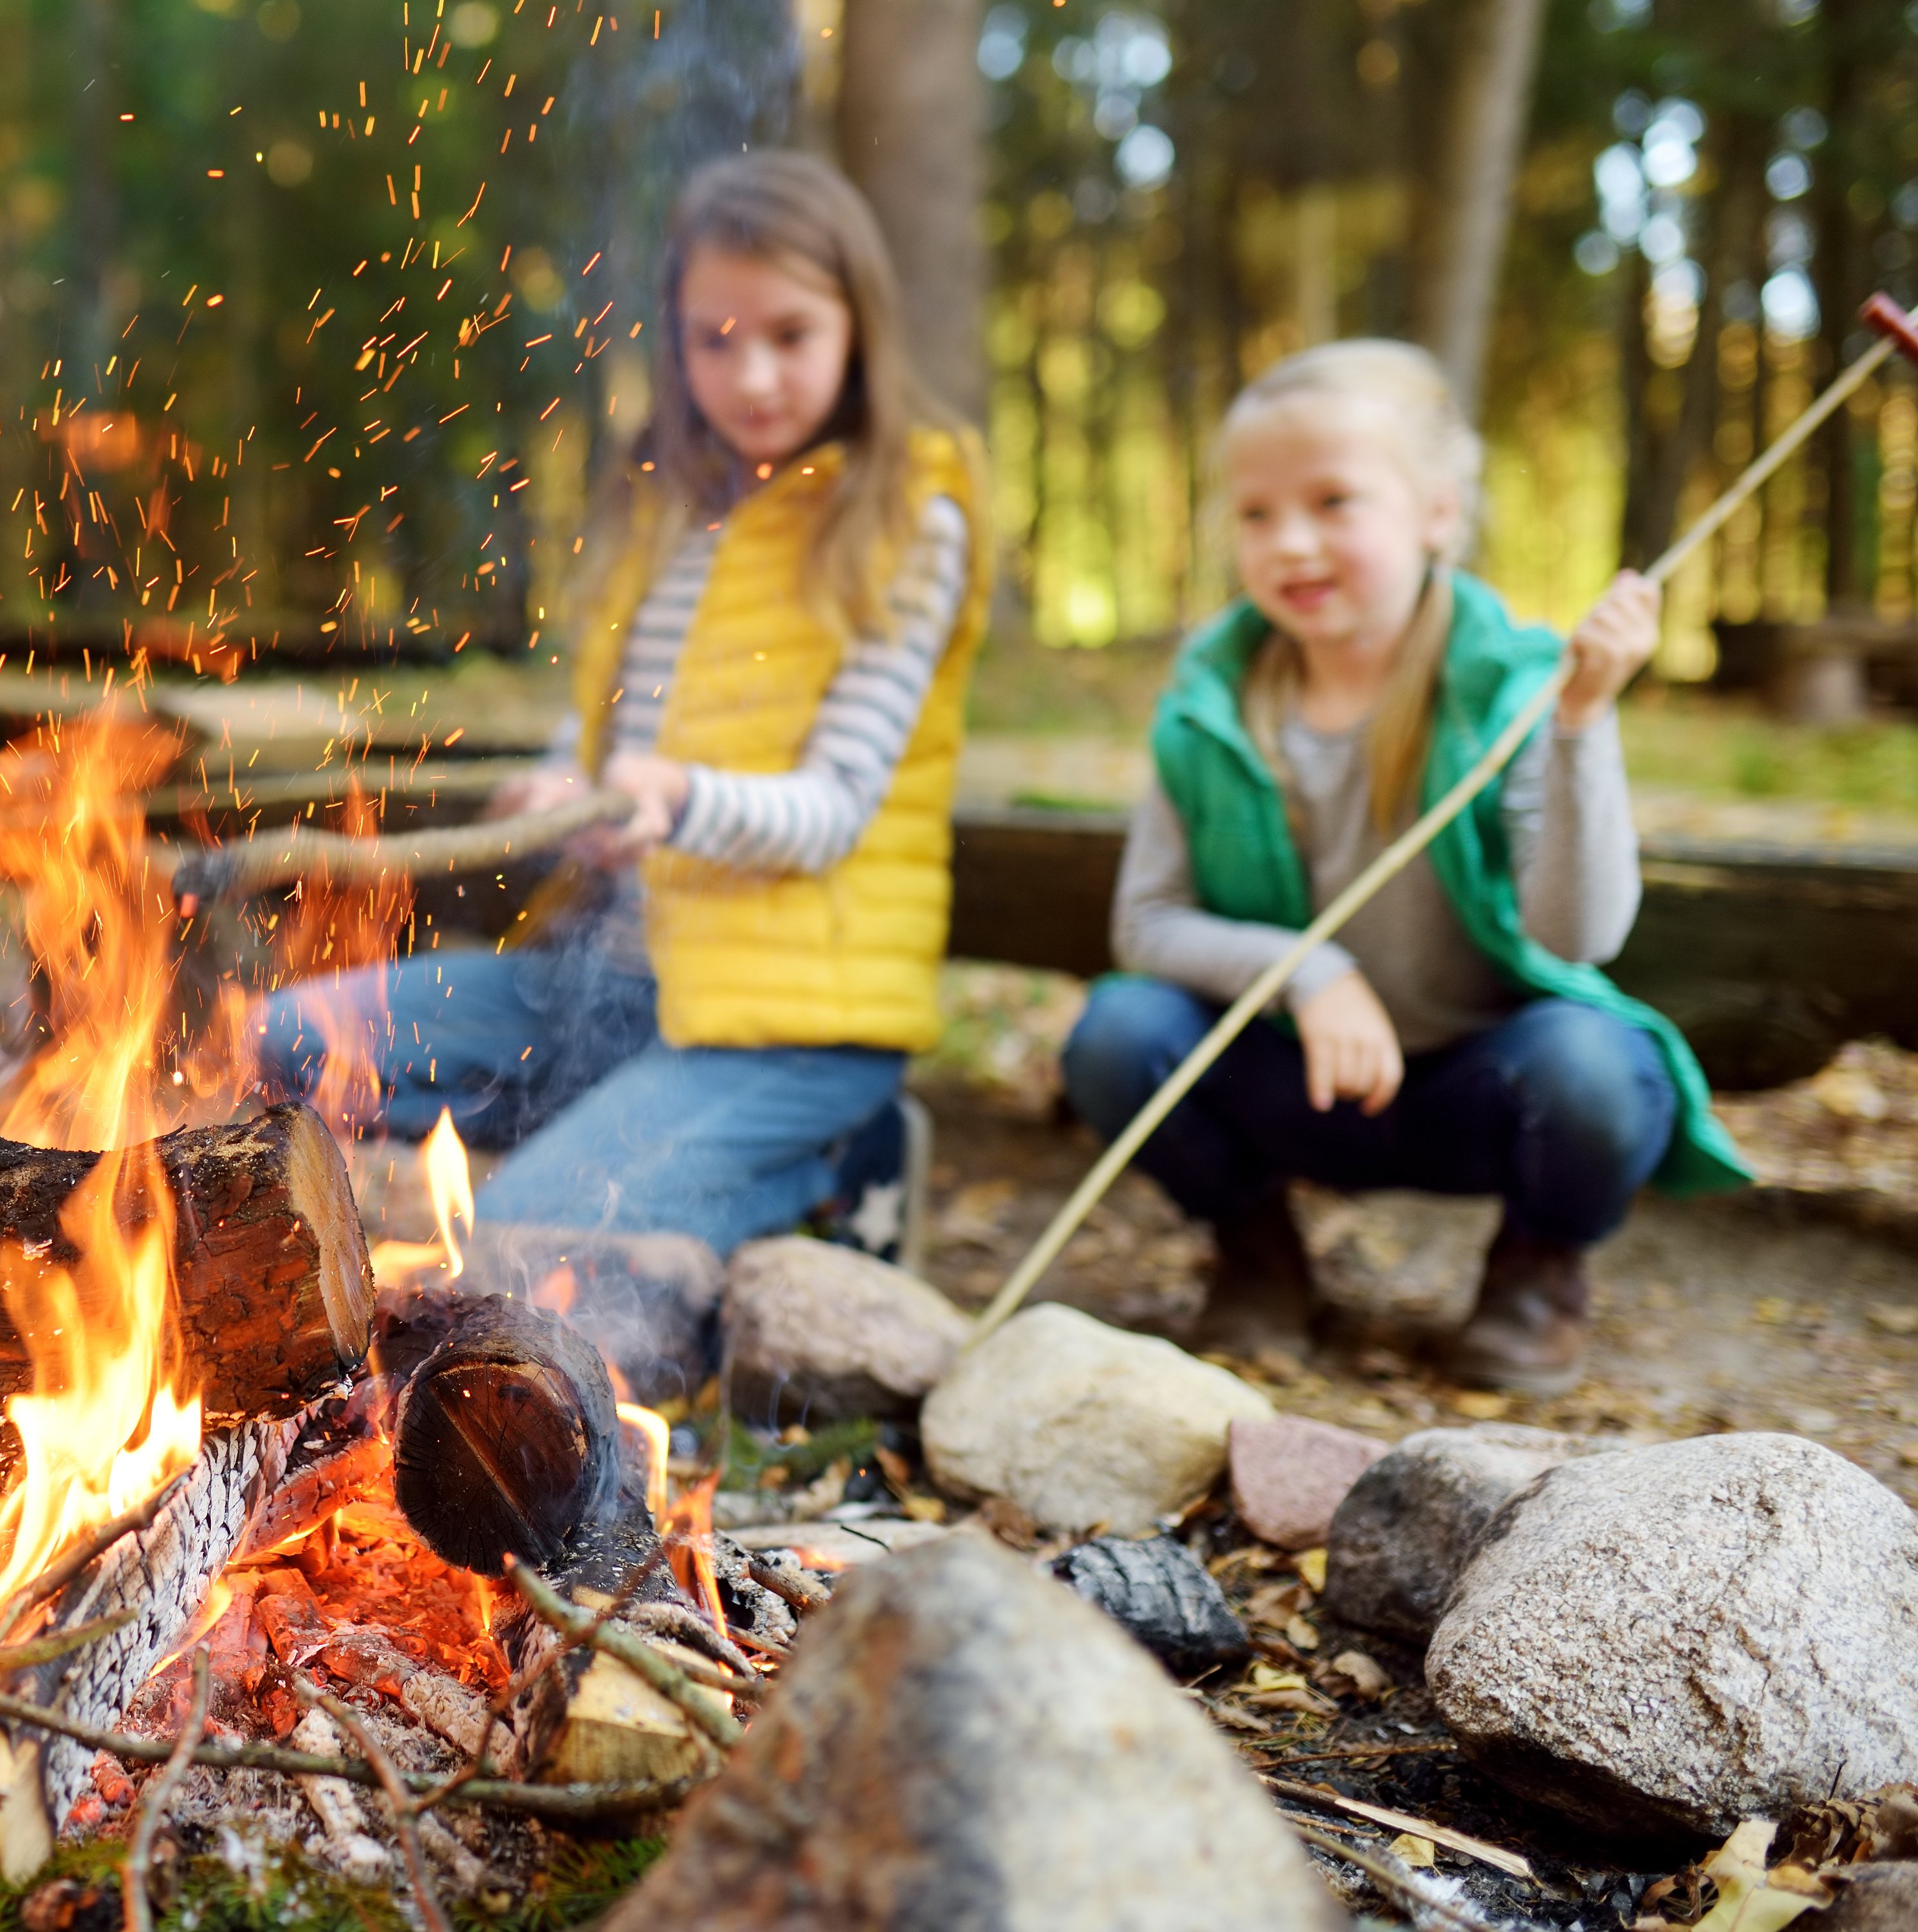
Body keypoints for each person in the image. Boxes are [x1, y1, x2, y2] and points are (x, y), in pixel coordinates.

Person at [255, 151, 992, 1250]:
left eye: (791, 337)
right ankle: (631, 1147)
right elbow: (618, 725)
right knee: (282, 1045)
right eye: (717, 341)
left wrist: (682, 801)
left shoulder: (902, 522)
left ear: (860, 330)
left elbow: (836, 808)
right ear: (678, 338)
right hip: (607, 987)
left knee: (525, 1236)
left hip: (788, 1027)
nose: (753, 380)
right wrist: (569, 781)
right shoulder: (667, 514)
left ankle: (830, 1167)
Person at [1060, 339, 1747, 1394]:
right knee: (1118, 1034)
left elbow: (1579, 936)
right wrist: (1309, 971)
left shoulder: (1509, 686)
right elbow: (1146, 923)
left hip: (1484, 1090)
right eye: (1256, 512)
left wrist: (1579, 723)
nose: (1290, 541)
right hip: (1297, 1079)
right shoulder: (1211, 702)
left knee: (1600, 1072)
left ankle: (1534, 1270)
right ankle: (1258, 1258)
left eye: (1335, 502)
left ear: (1435, 511)